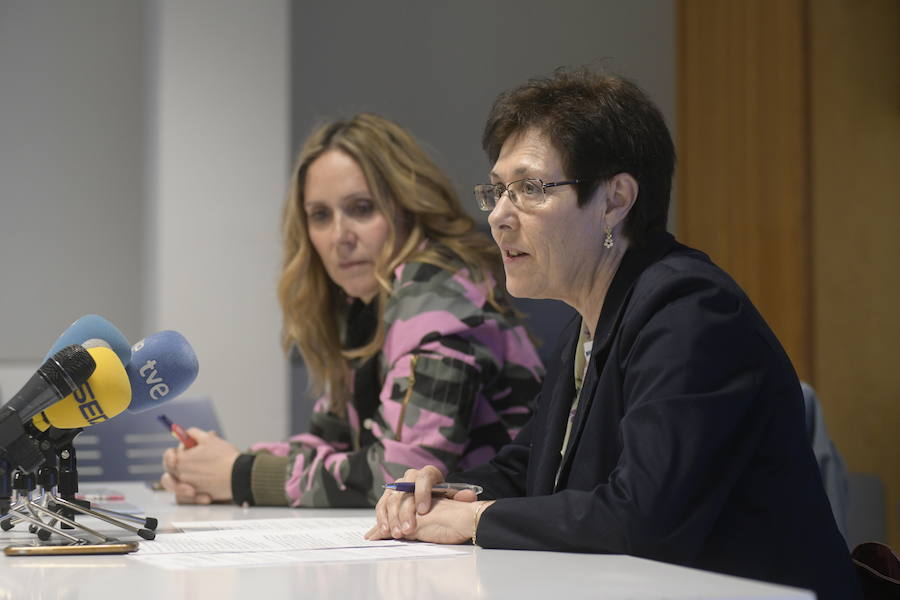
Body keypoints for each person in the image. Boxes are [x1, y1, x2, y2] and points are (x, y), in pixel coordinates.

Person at [366, 70, 862, 599]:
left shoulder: (690, 311)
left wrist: (474, 521)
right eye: (497, 191)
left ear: (614, 200)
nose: (500, 218)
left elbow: (643, 518)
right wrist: (440, 490)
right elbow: (529, 469)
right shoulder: (589, 321)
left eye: (530, 189)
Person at [160, 113, 543, 507]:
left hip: (511, 546)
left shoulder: (437, 293)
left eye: (361, 208)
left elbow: (400, 473)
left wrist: (239, 475)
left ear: (407, 207)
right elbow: (332, 441)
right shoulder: (362, 302)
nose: (340, 236)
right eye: (320, 216)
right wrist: (216, 467)